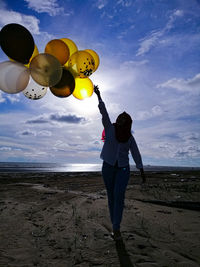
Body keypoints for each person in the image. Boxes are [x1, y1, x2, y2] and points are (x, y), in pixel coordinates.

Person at [94, 85, 146, 241]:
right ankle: (115, 224)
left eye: (125, 121)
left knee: (119, 195)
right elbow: (104, 112)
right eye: (121, 119)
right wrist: (99, 95)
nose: (122, 122)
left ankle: (116, 228)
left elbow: (136, 153)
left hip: (123, 169)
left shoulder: (129, 137)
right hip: (108, 167)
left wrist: (142, 170)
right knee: (111, 197)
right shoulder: (109, 128)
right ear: (117, 120)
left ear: (129, 123)